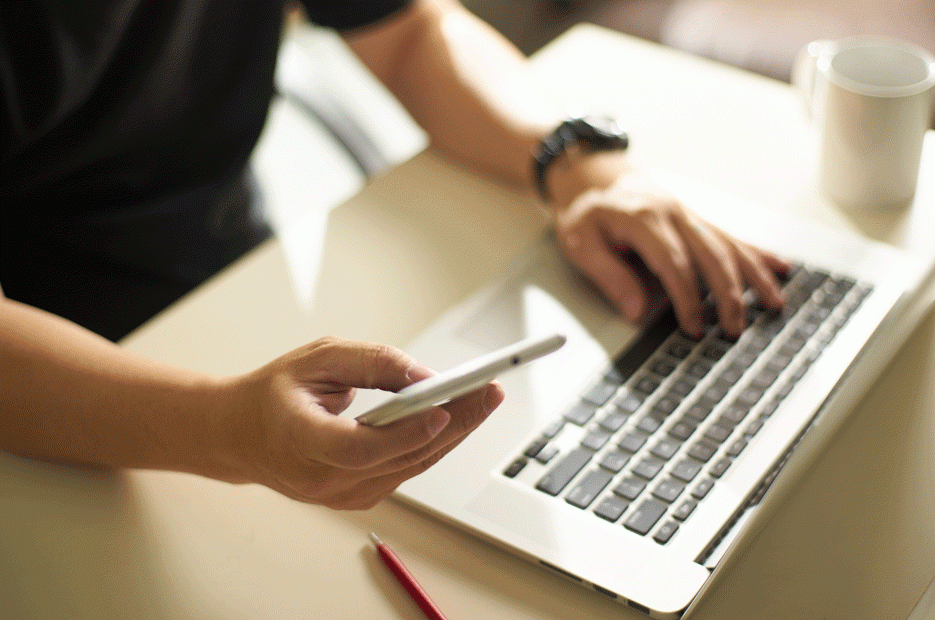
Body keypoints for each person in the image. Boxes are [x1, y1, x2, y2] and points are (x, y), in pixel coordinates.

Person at [0, 0, 788, 509]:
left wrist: (577, 165)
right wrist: (221, 429)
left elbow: (408, 30)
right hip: (52, 399)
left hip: (229, 283)